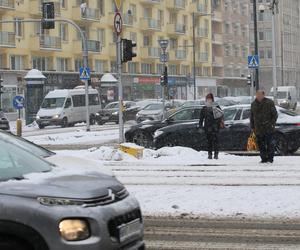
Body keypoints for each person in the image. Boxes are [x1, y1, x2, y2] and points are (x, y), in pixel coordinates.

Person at [250, 90, 278, 163]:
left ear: (263, 95)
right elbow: (252, 116)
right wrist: (252, 126)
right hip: (258, 129)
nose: (258, 96)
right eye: (257, 94)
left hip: (268, 128)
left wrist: (272, 124)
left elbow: (275, 115)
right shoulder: (253, 104)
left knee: (270, 144)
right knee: (261, 145)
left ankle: (270, 158)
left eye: (260, 94)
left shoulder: (269, 103)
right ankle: (263, 158)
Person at [199, 93, 223, 160]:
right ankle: (210, 154)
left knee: (216, 142)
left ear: (212, 99)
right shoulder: (204, 108)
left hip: (215, 127)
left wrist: (218, 123)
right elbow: (201, 118)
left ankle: (216, 154)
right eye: (208, 99)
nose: (209, 100)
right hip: (208, 127)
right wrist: (200, 126)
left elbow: (220, 115)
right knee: (209, 142)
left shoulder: (216, 107)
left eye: (210, 98)